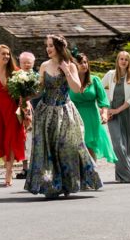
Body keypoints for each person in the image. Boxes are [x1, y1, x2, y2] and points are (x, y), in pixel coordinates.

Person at [25, 34, 102, 198]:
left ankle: (69, 183)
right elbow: (39, 89)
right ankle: (50, 184)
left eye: (51, 46)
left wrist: (67, 71)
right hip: (46, 112)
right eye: (47, 46)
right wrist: (25, 94)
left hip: (65, 111)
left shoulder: (71, 66)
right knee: (48, 149)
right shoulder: (44, 66)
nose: (48, 49)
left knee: (68, 147)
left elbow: (76, 88)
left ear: (59, 48)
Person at [0, 44, 25, 187]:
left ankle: (8, 172)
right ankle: (7, 163)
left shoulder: (16, 72)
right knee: (0, 141)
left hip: (13, 110)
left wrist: (24, 104)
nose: (6, 56)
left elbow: (24, 92)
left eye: (8, 54)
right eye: (3, 54)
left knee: (11, 140)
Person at [69, 52, 118, 165]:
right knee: (77, 146)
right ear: (74, 65)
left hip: (92, 116)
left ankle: (92, 173)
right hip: (75, 116)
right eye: (81, 63)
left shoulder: (94, 80)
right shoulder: (69, 81)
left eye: (85, 62)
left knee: (90, 146)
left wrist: (104, 114)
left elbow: (103, 99)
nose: (84, 65)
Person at [101, 50, 130, 183]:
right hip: (113, 113)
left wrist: (118, 110)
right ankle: (126, 175)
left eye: (126, 59)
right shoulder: (110, 74)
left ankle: (126, 173)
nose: (123, 61)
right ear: (117, 61)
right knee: (118, 144)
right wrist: (105, 110)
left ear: (129, 62)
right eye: (121, 59)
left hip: (127, 112)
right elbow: (99, 90)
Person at [16, 51, 39, 179]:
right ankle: (25, 168)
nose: (26, 65)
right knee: (24, 140)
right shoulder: (16, 77)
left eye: (28, 63)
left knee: (34, 139)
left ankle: (35, 167)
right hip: (20, 113)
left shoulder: (37, 77)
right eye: (24, 62)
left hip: (36, 111)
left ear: (33, 63)